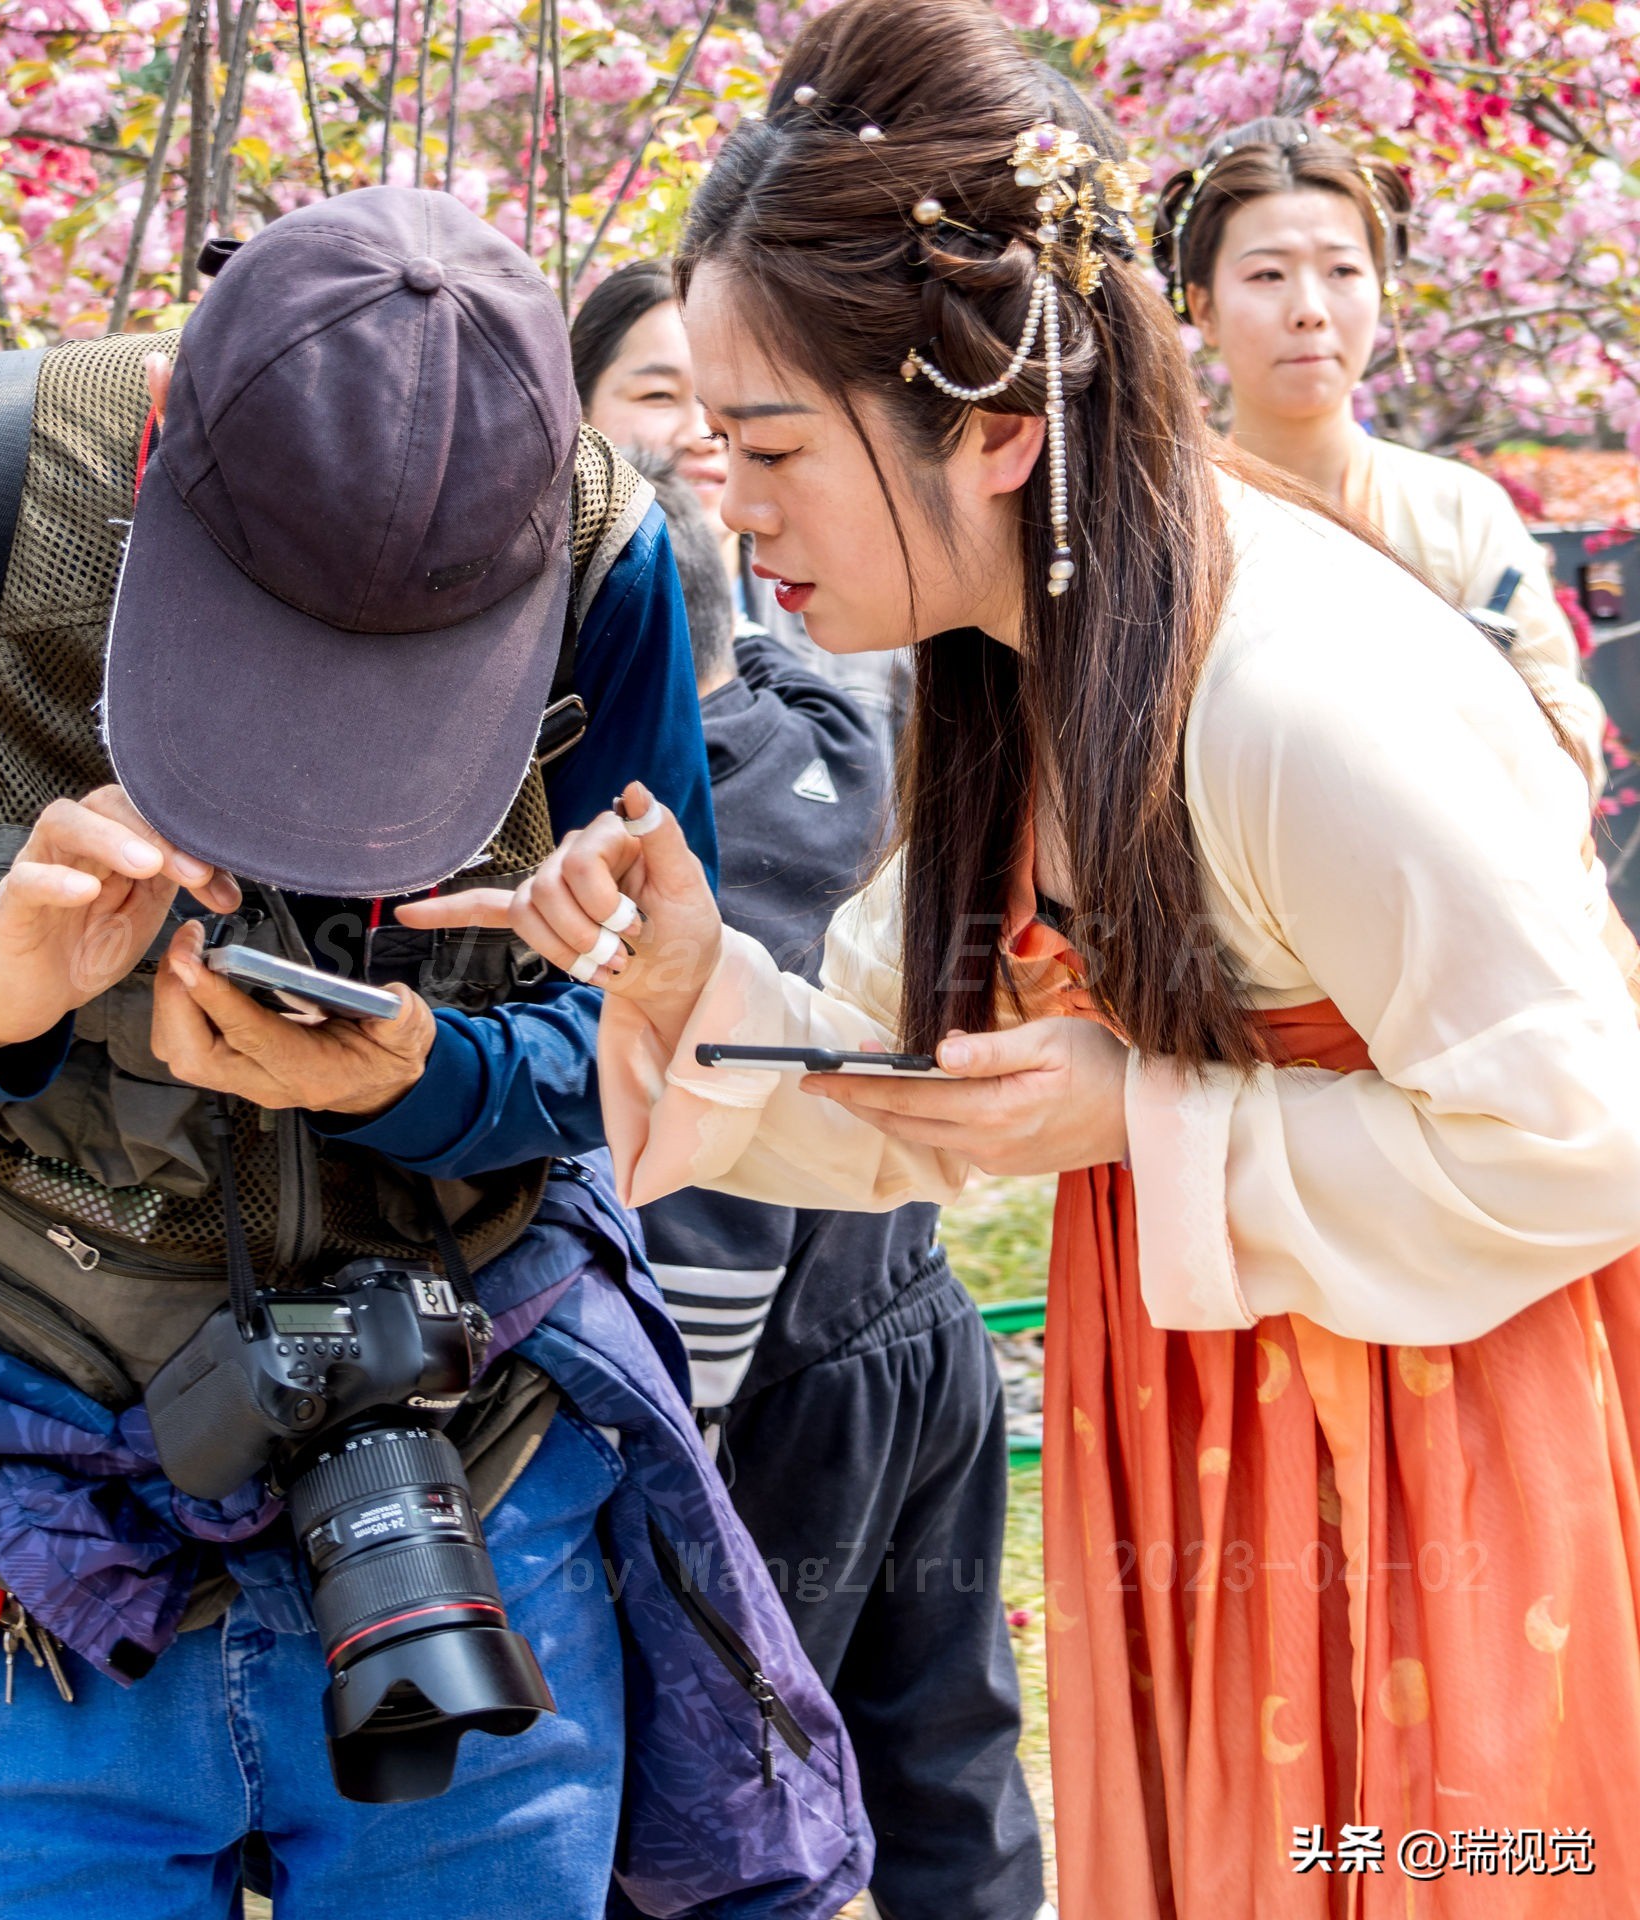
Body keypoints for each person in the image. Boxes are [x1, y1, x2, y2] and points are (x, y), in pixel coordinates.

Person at [418, 3, 1640, 1910]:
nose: (729, 509)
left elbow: (1585, 1139)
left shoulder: (1291, 704)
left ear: (989, 426)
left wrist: (1143, 1117)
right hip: (1210, 1397)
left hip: (1430, 1446)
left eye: (771, 447)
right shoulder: (1019, 666)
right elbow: (951, 1099)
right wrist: (694, 997)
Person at [0, 188, 869, 1920]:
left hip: (465, 1494)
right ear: (165, 438)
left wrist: (425, 1076)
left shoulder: (602, 553)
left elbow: (648, 1022)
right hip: (3, 1511)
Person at [596, 436, 1046, 1918]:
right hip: (914, 1316)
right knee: (945, 1754)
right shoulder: (828, 725)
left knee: (739, 1774)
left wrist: (680, 1463)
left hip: (775, 1384)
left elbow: (711, 1234)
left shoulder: (671, 845)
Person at [1155, 118, 1607, 790]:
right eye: (1268, 274)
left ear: (1382, 289)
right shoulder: (1160, 518)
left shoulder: (1460, 509)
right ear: (1203, 306)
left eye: (1341, 269)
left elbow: (1568, 733)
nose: (1309, 309)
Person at [573, 257, 909, 759]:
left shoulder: (863, 644)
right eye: (658, 395)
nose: (701, 436)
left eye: (735, 404)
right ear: (577, 412)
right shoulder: (524, 649)